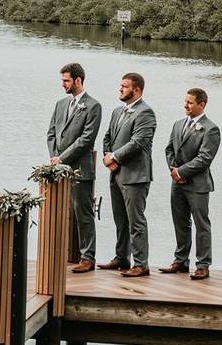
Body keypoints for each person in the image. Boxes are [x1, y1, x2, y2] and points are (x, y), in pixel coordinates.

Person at [45, 63, 102, 273]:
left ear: (78, 81)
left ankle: (88, 257)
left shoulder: (93, 106)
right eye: (62, 81)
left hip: (80, 169)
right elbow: (51, 132)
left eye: (66, 81)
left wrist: (62, 158)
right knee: (58, 212)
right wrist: (54, 158)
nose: (63, 85)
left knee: (83, 213)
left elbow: (87, 140)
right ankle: (58, 254)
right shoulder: (60, 104)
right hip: (57, 168)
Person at [99, 73, 156, 277]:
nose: (120, 89)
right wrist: (108, 157)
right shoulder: (117, 111)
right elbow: (107, 136)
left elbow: (138, 142)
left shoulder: (145, 113)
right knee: (120, 219)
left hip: (135, 176)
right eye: (120, 86)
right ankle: (122, 257)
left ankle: (141, 264)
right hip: (116, 173)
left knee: (136, 221)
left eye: (124, 87)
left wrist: (114, 157)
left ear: (137, 90)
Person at [161, 88, 221, 279]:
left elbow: (205, 158)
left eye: (190, 102)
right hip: (177, 182)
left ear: (201, 104)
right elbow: (169, 149)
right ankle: (180, 261)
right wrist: (174, 170)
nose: (185, 105)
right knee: (180, 222)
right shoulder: (178, 124)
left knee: (201, 224)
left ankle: (203, 265)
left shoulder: (211, 129)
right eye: (185, 101)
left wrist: (182, 171)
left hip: (198, 184)